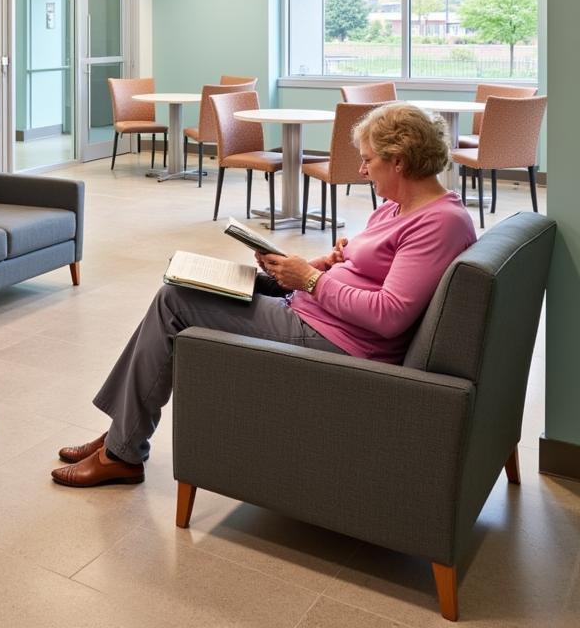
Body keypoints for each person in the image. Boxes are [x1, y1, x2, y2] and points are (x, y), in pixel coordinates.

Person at [52, 103, 477, 488]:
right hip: (315, 312)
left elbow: (389, 315)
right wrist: (324, 265)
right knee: (186, 282)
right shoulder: (396, 206)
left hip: (339, 341)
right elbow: (370, 272)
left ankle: (122, 452)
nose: (363, 171)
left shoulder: (438, 223)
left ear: (398, 161)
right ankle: (120, 434)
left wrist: (310, 279)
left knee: (173, 302)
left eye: (368, 161)